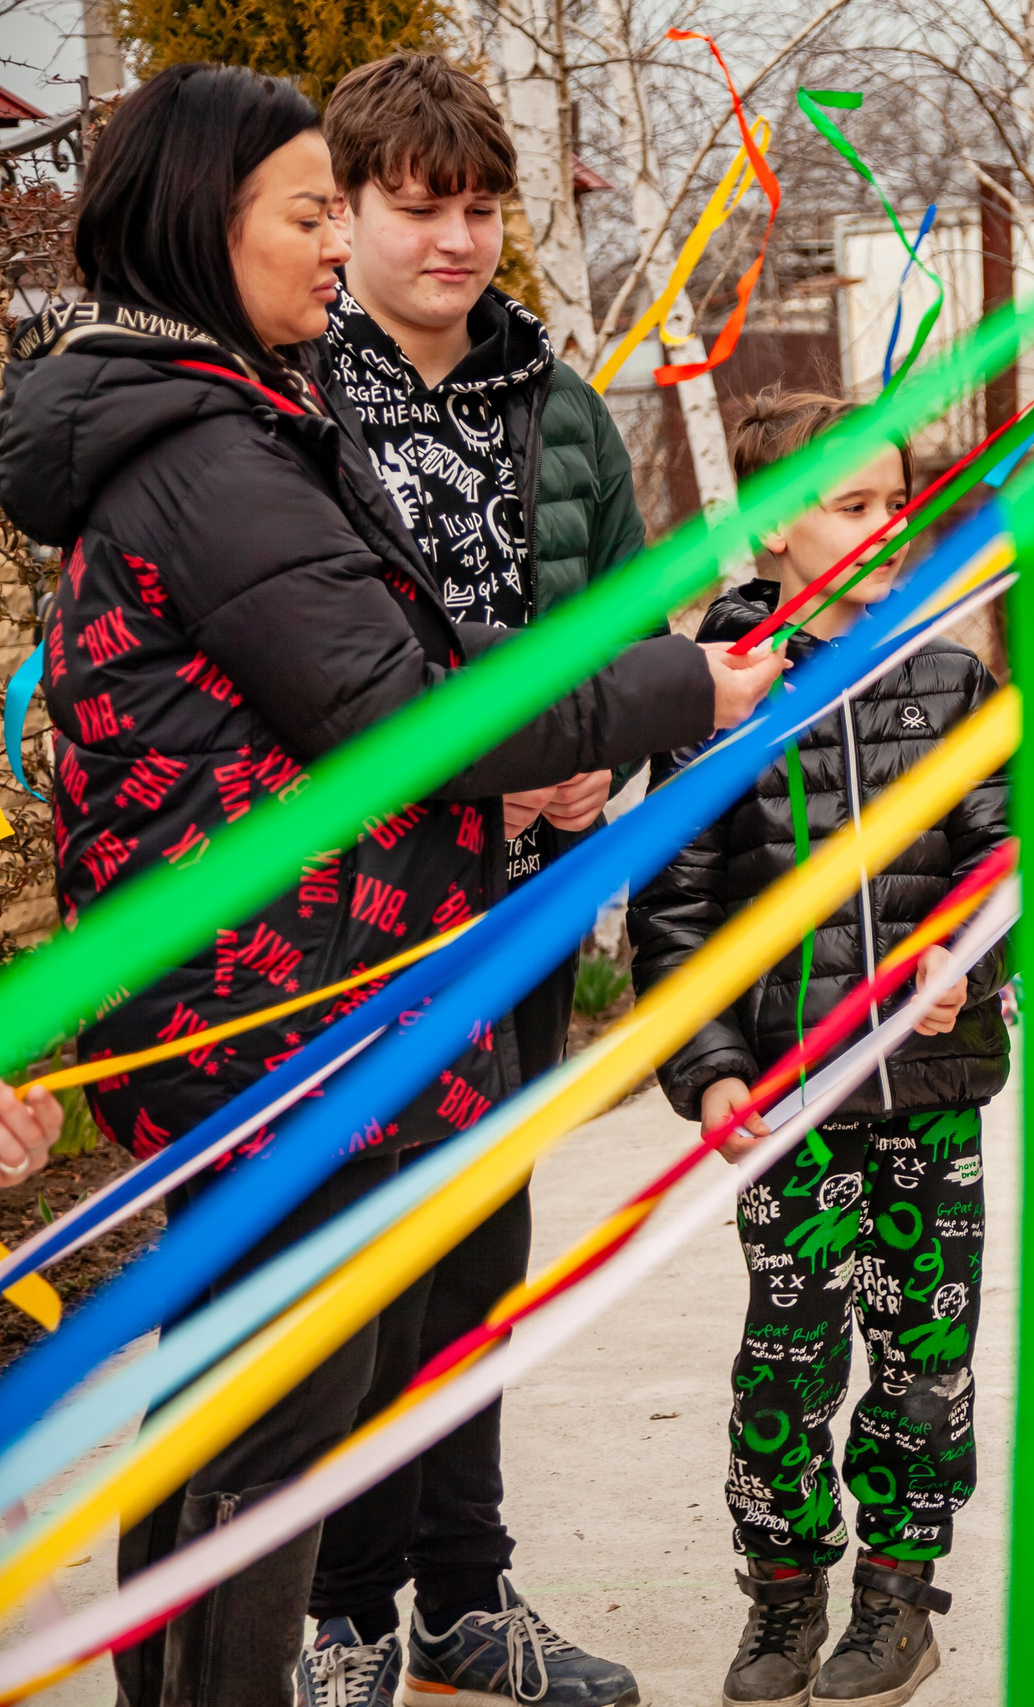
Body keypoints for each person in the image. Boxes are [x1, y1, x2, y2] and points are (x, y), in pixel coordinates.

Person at [0, 62, 778, 1707]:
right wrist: (678, 691)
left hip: (346, 969)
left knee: (270, 1385)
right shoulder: (217, 450)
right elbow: (403, 712)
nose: (337, 246)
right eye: (311, 211)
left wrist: (622, 696)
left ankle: (359, 1631)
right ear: (217, 234)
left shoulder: (235, 423)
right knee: (270, 1414)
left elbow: (403, 660)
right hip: (283, 996)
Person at [298, 51, 655, 1705]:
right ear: (348, 208)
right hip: (356, 917)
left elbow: (629, 628)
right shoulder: (294, 399)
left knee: (478, 1245)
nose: (455, 242)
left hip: (522, 902)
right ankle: (339, 1614)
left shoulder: (564, 403)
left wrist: (605, 752)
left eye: (480, 208)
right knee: (352, 1259)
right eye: (418, 207)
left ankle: (462, 1596)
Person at [627, 388, 1009, 1707]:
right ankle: (783, 1594)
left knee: (925, 1351)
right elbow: (672, 902)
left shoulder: (954, 673)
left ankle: (899, 1596)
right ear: (779, 528)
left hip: (933, 1092)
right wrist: (712, 1064)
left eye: (898, 500)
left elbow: (1003, 851)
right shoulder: (718, 693)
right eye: (854, 504)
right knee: (788, 1352)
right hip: (790, 1099)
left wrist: (970, 953)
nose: (889, 525)